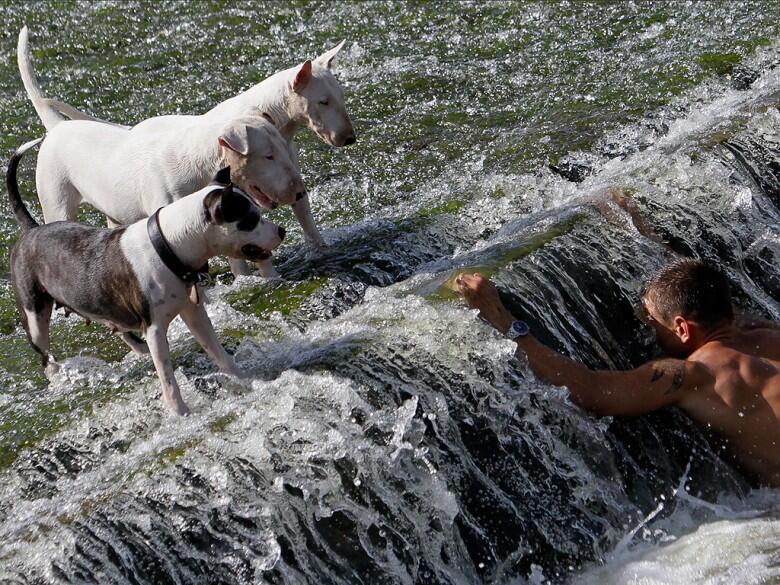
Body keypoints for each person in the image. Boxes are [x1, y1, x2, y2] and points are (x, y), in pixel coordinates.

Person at [454, 259, 780, 487]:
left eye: (651, 321)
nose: (647, 329)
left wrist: (503, 321)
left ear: (681, 327)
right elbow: (697, 288)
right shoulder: (766, 332)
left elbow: (592, 392)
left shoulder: (698, 374)